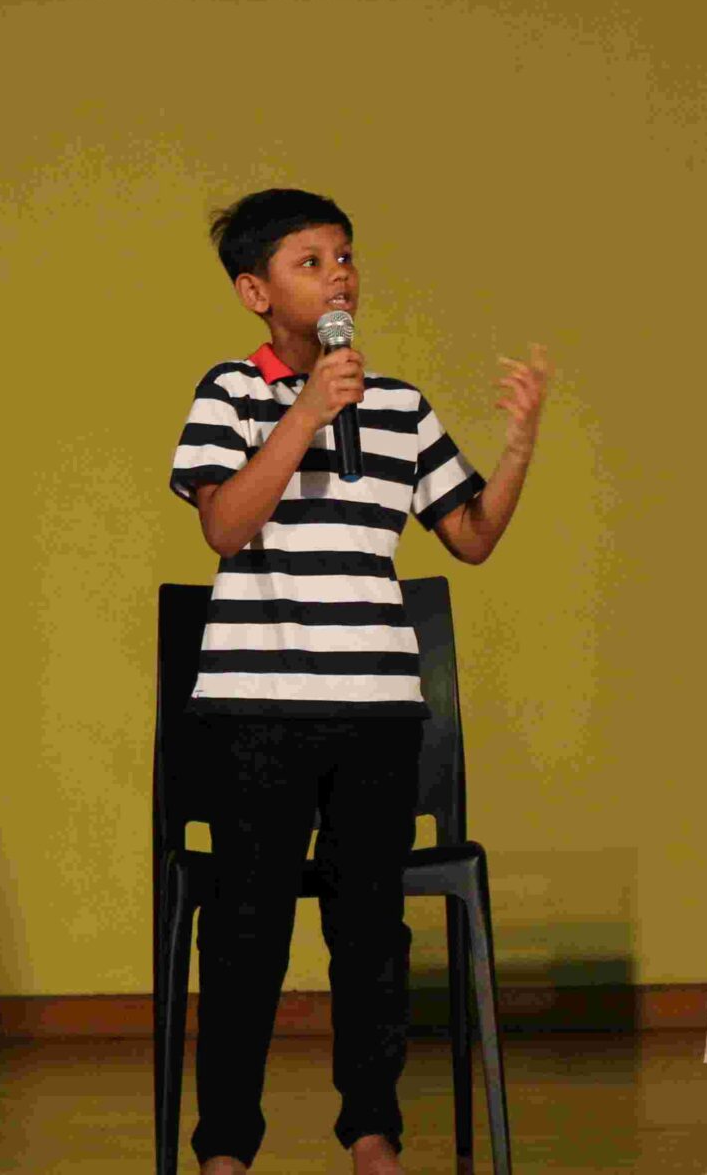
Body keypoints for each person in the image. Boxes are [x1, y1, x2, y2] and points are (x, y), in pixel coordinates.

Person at [167, 187, 552, 1175]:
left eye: (344, 257)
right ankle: (226, 1147)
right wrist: (306, 411)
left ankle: (372, 1133)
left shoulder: (400, 408)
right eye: (311, 261)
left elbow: (471, 536)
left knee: (371, 931)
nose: (339, 276)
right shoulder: (230, 392)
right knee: (247, 930)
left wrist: (517, 446)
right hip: (255, 713)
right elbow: (225, 526)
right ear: (256, 291)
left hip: (376, 712)